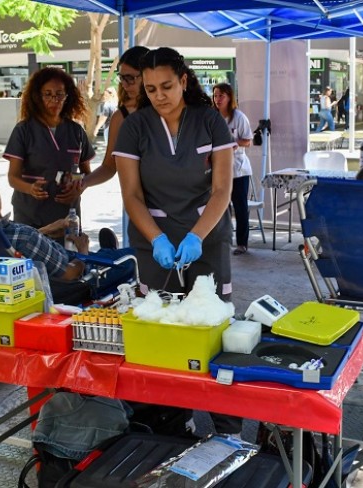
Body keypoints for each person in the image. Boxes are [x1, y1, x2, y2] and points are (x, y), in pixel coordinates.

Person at [115, 48, 239, 435]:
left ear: (184, 81)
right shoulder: (134, 127)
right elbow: (132, 195)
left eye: (167, 86)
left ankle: (226, 423)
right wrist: (157, 240)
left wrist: (195, 237)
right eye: (150, 88)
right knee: (161, 326)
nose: (158, 95)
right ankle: (171, 419)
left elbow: (222, 189)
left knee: (214, 327)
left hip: (206, 234)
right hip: (155, 238)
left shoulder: (210, 122)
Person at [0, 168, 135, 303]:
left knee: (106, 253)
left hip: (18, 285)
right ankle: (106, 252)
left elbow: (13, 248)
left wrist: (45, 231)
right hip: (82, 278)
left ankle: (107, 250)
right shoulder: (24, 237)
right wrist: (83, 252)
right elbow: (71, 274)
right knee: (134, 256)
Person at [3, 67, 94, 236]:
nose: (54, 100)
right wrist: (30, 188)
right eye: (48, 94)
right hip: (31, 217)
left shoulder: (76, 131)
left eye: (60, 94)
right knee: (35, 261)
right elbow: (12, 178)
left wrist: (77, 186)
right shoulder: (23, 130)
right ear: (38, 97)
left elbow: (86, 174)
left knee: (70, 260)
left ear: (68, 97)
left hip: (68, 217)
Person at [82, 46, 150, 193]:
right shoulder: (121, 117)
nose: (124, 85)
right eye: (122, 78)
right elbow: (109, 166)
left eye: (130, 78)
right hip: (139, 204)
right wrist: (83, 183)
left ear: (149, 75)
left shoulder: (169, 110)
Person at [213, 82, 253, 256]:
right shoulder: (212, 117)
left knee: (240, 206)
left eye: (221, 95)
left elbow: (248, 141)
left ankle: (242, 243)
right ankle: (223, 240)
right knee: (221, 207)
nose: (217, 99)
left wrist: (233, 144)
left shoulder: (239, 117)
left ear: (229, 97)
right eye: (215, 95)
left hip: (238, 170)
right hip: (217, 169)